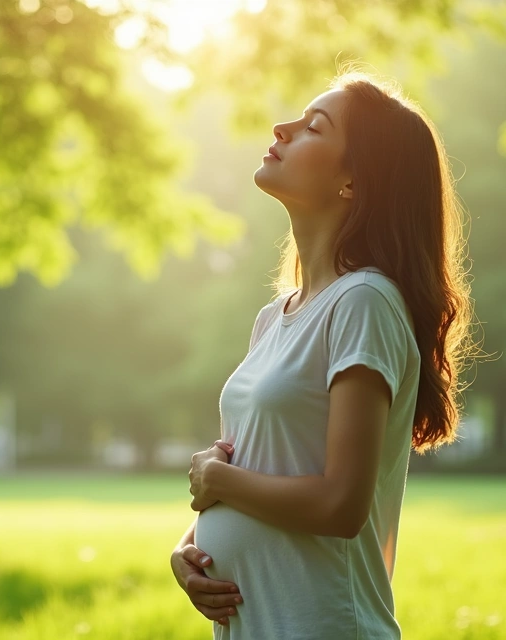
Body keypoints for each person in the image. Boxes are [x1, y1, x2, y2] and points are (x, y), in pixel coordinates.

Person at [168, 71, 475, 639]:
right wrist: (187, 551)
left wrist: (217, 480)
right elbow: (263, 463)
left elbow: (340, 503)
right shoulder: (273, 318)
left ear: (354, 181)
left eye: (313, 127)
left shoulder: (363, 301)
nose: (282, 129)